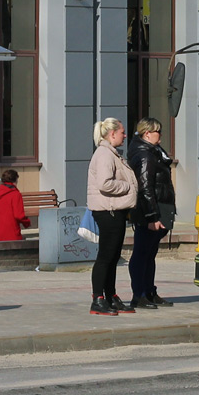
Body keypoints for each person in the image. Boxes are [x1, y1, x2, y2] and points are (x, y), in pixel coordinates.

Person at [86, 118, 137, 316]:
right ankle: (97, 298)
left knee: (114, 256)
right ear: (111, 134)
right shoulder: (104, 154)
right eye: (122, 132)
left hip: (115, 210)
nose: (125, 136)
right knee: (106, 256)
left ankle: (110, 296)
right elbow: (105, 183)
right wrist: (128, 187)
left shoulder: (111, 153)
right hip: (108, 211)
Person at [127, 117, 177, 309]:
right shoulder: (145, 155)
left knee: (150, 254)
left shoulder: (154, 152)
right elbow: (145, 188)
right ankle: (138, 295)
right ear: (147, 134)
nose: (161, 135)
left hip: (157, 209)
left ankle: (149, 291)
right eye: (158, 132)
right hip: (149, 213)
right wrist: (152, 217)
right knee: (142, 254)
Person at [0, 169, 31, 242]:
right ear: (15, 181)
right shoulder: (15, 194)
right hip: (10, 234)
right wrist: (27, 223)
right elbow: (18, 215)